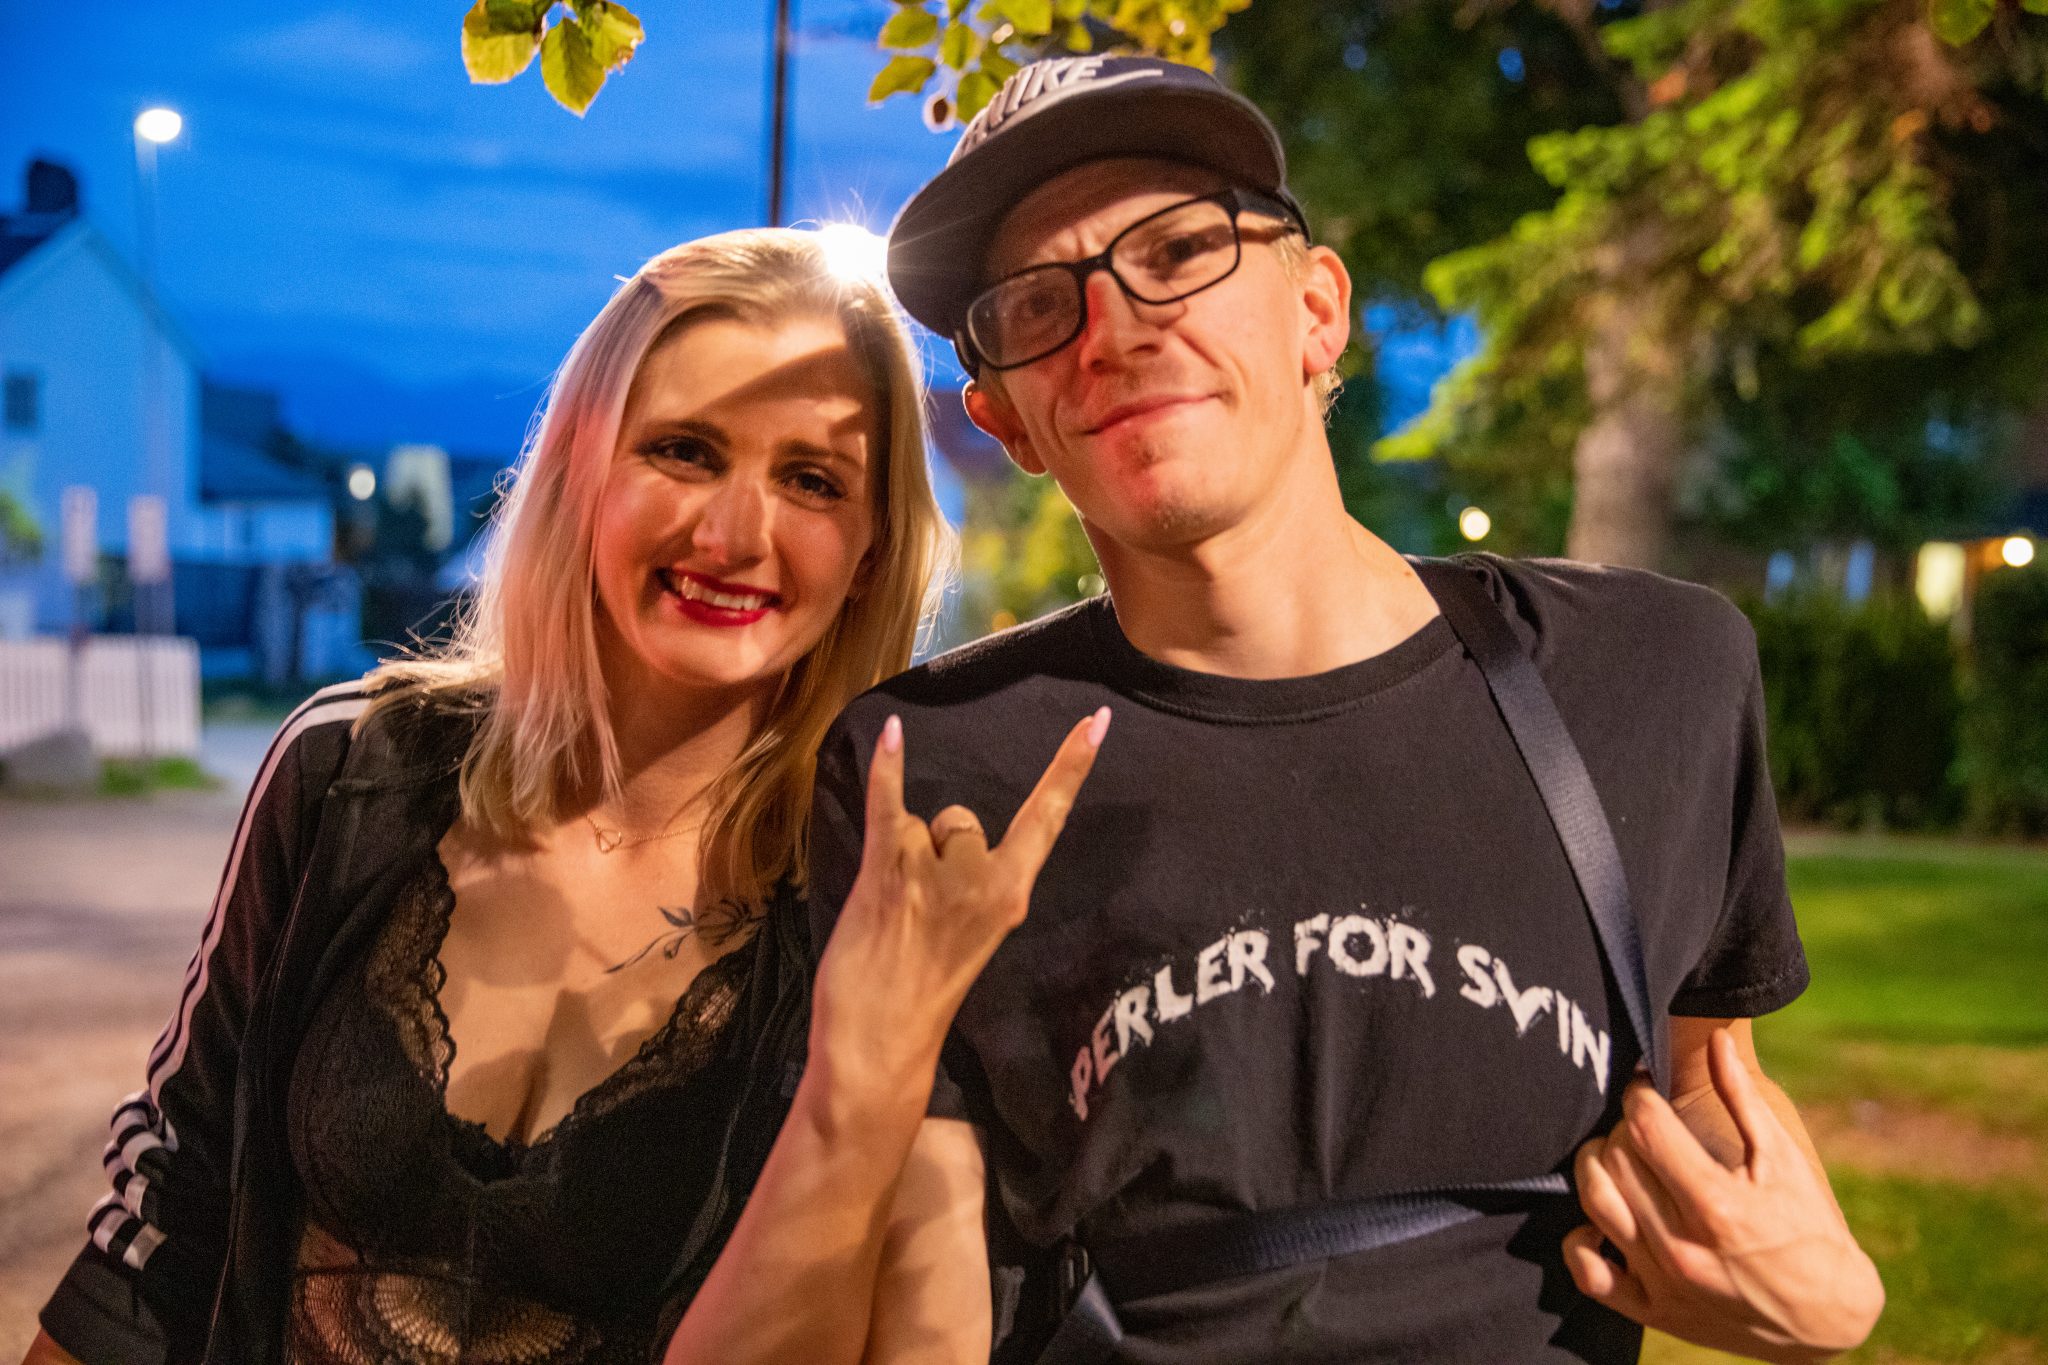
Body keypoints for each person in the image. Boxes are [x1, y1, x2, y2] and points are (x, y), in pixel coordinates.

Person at [805, 56, 1887, 1364]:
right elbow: (927, 1272)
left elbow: (1713, 1100)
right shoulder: (929, 766)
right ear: (1005, 423)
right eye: (1037, 303)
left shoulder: (1654, 672)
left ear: (1317, 310)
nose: (1116, 328)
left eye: (1178, 250)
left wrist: (1830, 1303)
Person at [27, 227, 1108, 1365]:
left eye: (810, 480)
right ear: (582, 469)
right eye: (685, 450)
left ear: (872, 546)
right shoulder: (350, 770)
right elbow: (161, 1229)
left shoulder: (873, 895)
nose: (733, 535)